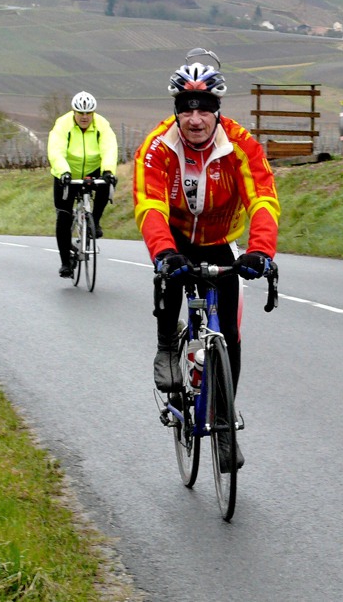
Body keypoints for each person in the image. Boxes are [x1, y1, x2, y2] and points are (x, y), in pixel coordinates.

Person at [132, 48, 280, 470]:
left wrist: (261, 251)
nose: (195, 119)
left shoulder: (240, 145)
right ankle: (167, 346)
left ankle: (223, 422)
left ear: (217, 111)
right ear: (176, 111)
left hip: (219, 242)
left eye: (204, 109)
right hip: (176, 238)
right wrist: (163, 252)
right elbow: (149, 206)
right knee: (170, 276)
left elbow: (263, 199)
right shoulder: (158, 147)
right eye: (186, 109)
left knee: (229, 334)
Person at [47, 91, 118, 278]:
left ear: (93, 113)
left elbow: (109, 148)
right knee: (63, 216)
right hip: (67, 172)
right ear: (74, 112)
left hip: (92, 170)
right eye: (80, 113)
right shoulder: (63, 124)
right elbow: (56, 150)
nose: (85, 117)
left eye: (89, 113)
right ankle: (65, 263)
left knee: (108, 183)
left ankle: (95, 221)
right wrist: (63, 171)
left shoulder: (102, 124)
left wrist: (108, 171)